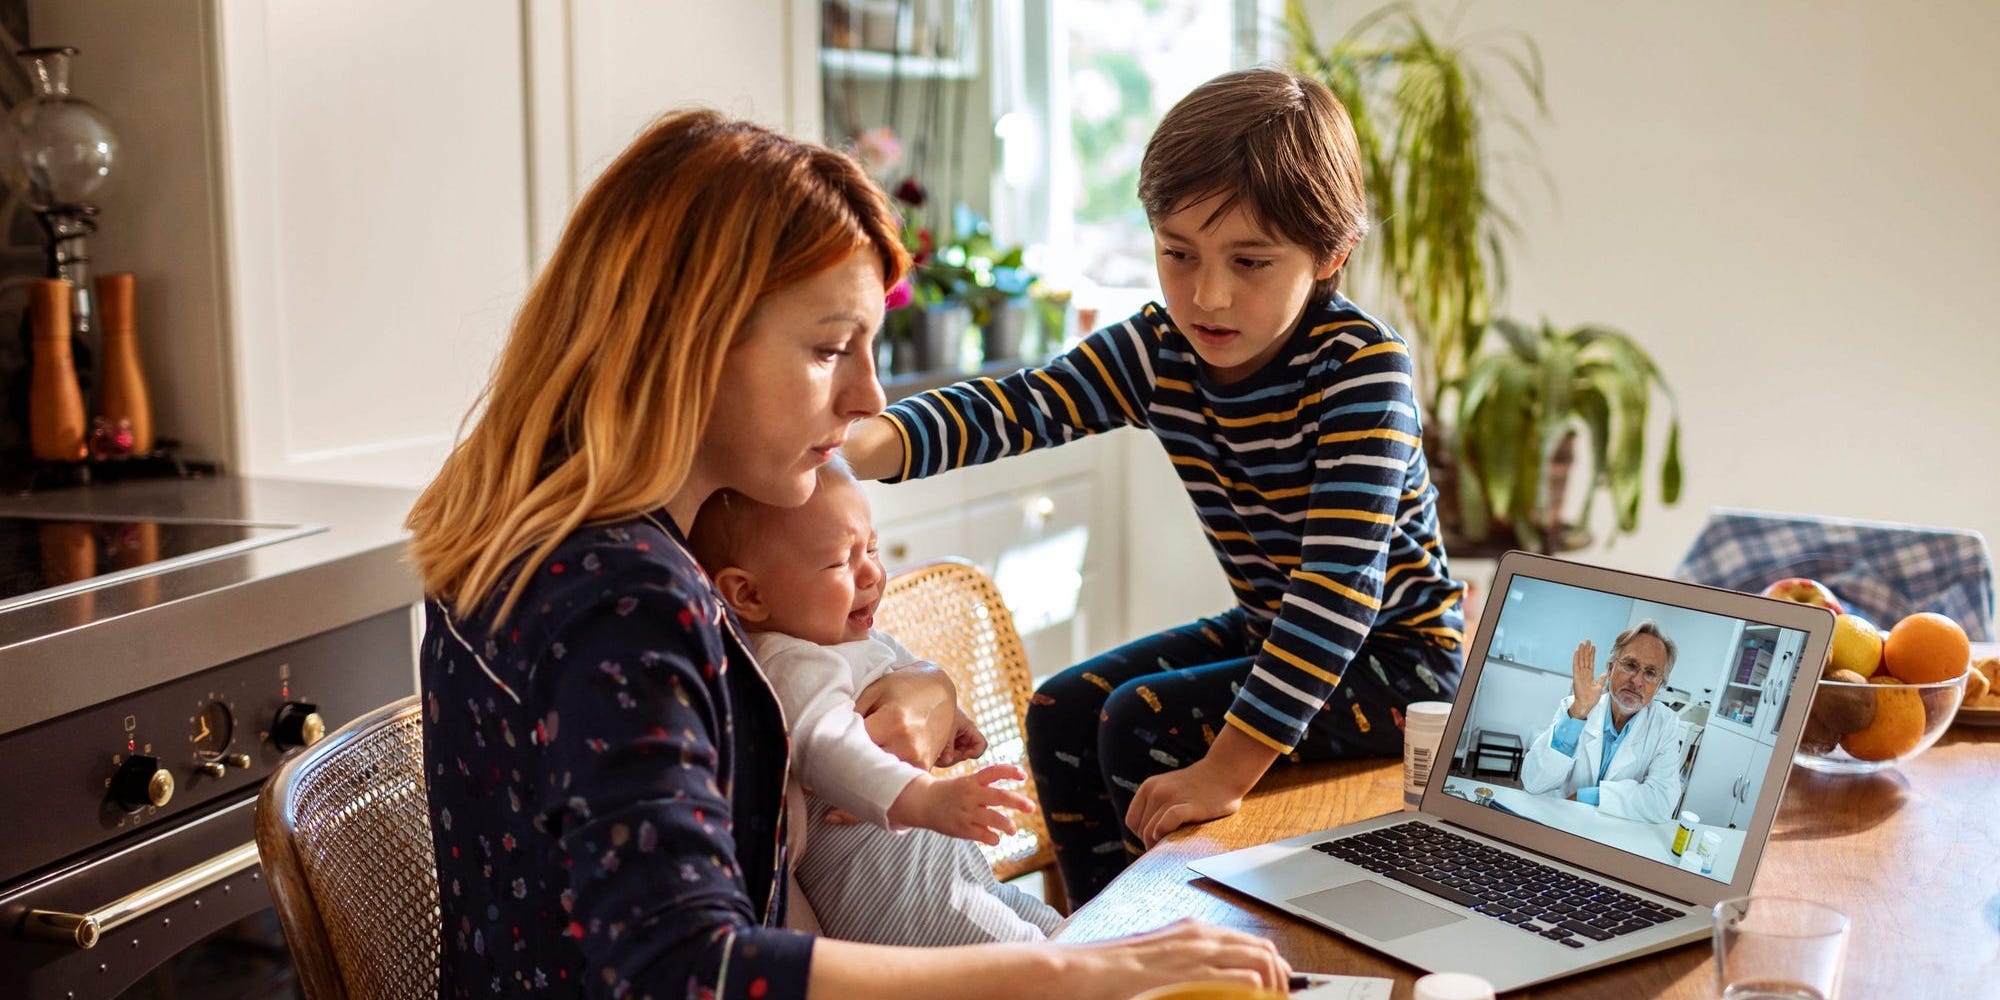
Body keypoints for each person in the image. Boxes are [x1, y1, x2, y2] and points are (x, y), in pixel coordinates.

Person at [404, 108, 1287, 999]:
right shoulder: (625, 597)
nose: (868, 397)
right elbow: (691, 967)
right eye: (831, 349)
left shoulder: (536, 539)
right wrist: (1071, 971)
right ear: (689, 340)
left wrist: (925, 690)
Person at [842, 67, 1464, 905]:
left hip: (1404, 665)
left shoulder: (1361, 371)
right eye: (1178, 253)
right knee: (1063, 710)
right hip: (1272, 629)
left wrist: (1227, 771)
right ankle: (1101, 936)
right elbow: (1018, 406)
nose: (1207, 295)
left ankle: (1163, 937)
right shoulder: (1159, 349)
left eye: (1250, 261)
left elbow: (1335, 597)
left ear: (1331, 254)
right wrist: (850, 446)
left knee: (1139, 720)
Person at [689, 461, 1063, 945]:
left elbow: (902, 669)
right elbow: (830, 747)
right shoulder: (787, 662)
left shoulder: (844, 641)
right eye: (840, 562)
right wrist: (925, 798)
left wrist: (952, 721)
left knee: (1068, 935)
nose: (873, 574)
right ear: (749, 594)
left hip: (947, 879)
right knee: (1048, 964)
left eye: (871, 548)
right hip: (900, 909)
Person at [1519, 622, 1685, 824]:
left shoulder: (1665, 725)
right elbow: (1533, 783)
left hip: (1613, 833)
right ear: (1610, 667)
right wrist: (1579, 712)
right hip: (1558, 822)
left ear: (1660, 685)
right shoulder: (1575, 707)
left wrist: (1587, 797)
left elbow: (1662, 802)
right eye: (1630, 665)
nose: (1637, 681)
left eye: (1650, 673)